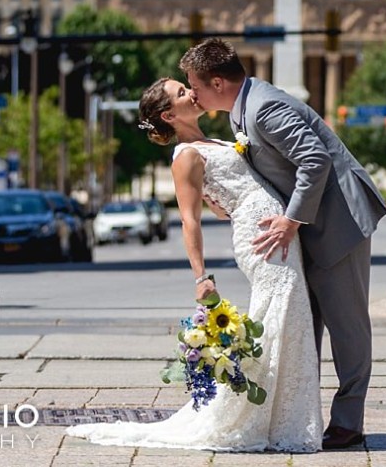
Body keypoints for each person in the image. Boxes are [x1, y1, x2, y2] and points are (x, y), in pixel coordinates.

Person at [65, 80, 323, 453]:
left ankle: (282, 416)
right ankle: (258, 416)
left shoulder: (213, 142)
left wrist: (226, 199)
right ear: (170, 115)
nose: (192, 92)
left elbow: (218, 197)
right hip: (260, 236)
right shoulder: (185, 155)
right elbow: (190, 220)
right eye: (182, 92)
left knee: (289, 316)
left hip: (273, 228)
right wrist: (201, 276)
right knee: (281, 314)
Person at [181, 39, 386, 451]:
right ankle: (299, 416)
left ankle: (349, 423)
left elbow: (315, 160)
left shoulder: (264, 109)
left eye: (195, 86)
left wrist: (291, 219)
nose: (192, 94)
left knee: (347, 327)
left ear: (218, 82)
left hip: (337, 223)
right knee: (302, 325)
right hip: (305, 231)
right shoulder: (241, 111)